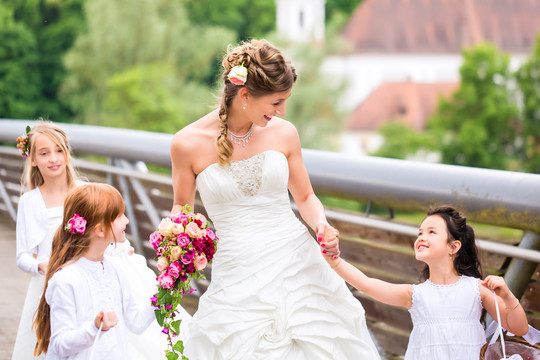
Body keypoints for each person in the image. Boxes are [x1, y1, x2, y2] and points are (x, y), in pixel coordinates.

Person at [170, 39, 381, 359]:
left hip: (297, 260)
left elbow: (307, 196)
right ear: (244, 95)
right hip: (237, 272)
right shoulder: (186, 144)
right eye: (275, 103)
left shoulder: (285, 133)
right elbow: (181, 209)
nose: (282, 112)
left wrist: (321, 225)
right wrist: (176, 241)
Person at [324, 205, 529, 360]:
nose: (421, 237)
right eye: (420, 232)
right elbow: (366, 284)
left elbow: (518, 328)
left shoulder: (476, 289)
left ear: (453, 247)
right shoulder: (415, 295)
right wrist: (335, 261)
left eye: (432, 232)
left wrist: (507, 296)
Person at [33, 183, 156, 359]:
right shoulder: (65, 280)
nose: (127, 221)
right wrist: (95, 328)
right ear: (99, 229)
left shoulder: (117, 269)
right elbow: (60, 345)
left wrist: (165, 291)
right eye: (120, 216)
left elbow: (136, 322)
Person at [13, 121, 82, 359]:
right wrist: (40, 266)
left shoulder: (84, 192)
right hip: (46, 284)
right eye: (44, 153)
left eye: (59, 150)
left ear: (67, 153)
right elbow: (22, 256)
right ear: (33, 160)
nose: (53, 159)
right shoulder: (29, 201)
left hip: (82, 283)